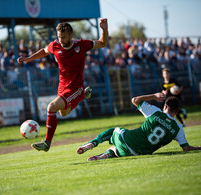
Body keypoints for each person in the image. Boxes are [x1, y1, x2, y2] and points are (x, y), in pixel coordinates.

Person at [17, 18, 109, 152]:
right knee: (63, 113)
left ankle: (47, 142)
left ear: (71, 35)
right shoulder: (55, 45)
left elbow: (102, 43)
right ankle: (83, 95)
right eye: (59, 37)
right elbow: (44, 51)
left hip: (75, 87)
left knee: (51, 107)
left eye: (64, 37)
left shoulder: (81, 45)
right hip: (62, 87)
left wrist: (104, 29)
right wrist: (29, 58)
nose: (61, 40)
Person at [77, 93, 201, 161]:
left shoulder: (155, 112)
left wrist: (154, 96)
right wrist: (199, 147)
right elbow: (186, 148)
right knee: (115, 149)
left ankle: (92, 143)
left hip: (128, 140)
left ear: (166, 107)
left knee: (113, 131)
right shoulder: (178, 129)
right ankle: (105, 155)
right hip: (138, 153)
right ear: (177, 110)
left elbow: (134, 99)